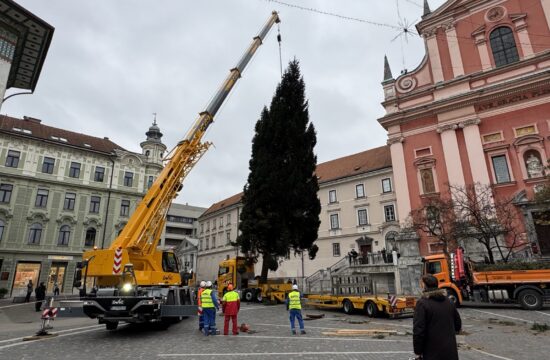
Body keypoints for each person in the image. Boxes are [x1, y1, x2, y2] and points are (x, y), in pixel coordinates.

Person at [413, 275, 462, 360]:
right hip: (450, 351)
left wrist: (418, 351)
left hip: (431, 352)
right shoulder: (449, 301)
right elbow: (458, 324)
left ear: (424, 285)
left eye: (421, 284)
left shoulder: (422, 303)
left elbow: (419, 330)